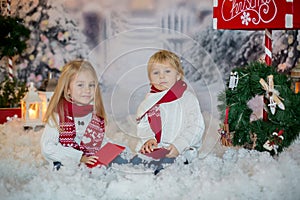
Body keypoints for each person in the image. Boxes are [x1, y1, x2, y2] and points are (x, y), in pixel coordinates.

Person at [133, 50, 205, 174]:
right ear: (150, 78)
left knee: (167, 168)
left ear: (178, 75)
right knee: (136, 164)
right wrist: (149, 139)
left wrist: (179, 145)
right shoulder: (149, 100)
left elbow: (196, 127)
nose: (161, 76)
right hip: (156, 149)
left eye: (167, 71)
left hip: (180, 150)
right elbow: (143, 124)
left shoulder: (187, 98)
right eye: (156, 73)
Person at [41, 60, 107, 170]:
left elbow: (98, 140)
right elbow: (47, 148)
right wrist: (79, 157)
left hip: (90, 166)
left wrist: (114, 148)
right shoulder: (58, 115)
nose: (87, 90)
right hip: (65, 168)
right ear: (67, 90)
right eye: (80, 85)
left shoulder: (94, 116)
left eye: (91, 85)